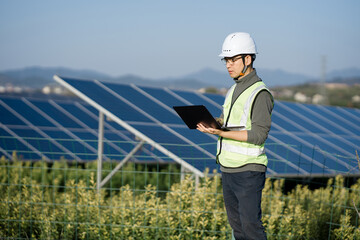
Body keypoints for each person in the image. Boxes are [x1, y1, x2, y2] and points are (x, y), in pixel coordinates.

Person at [196, 32, 274, 240]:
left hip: (249, 170)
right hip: (228, 168)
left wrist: (220, 132)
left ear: (248, 59)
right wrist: (210, 123)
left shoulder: (260, 93)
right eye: (226, 61)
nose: (228, 65)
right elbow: (225, 121)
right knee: (238, 228)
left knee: (251, 228)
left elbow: (259, 135)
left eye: (233, 60)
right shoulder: (232, 89)